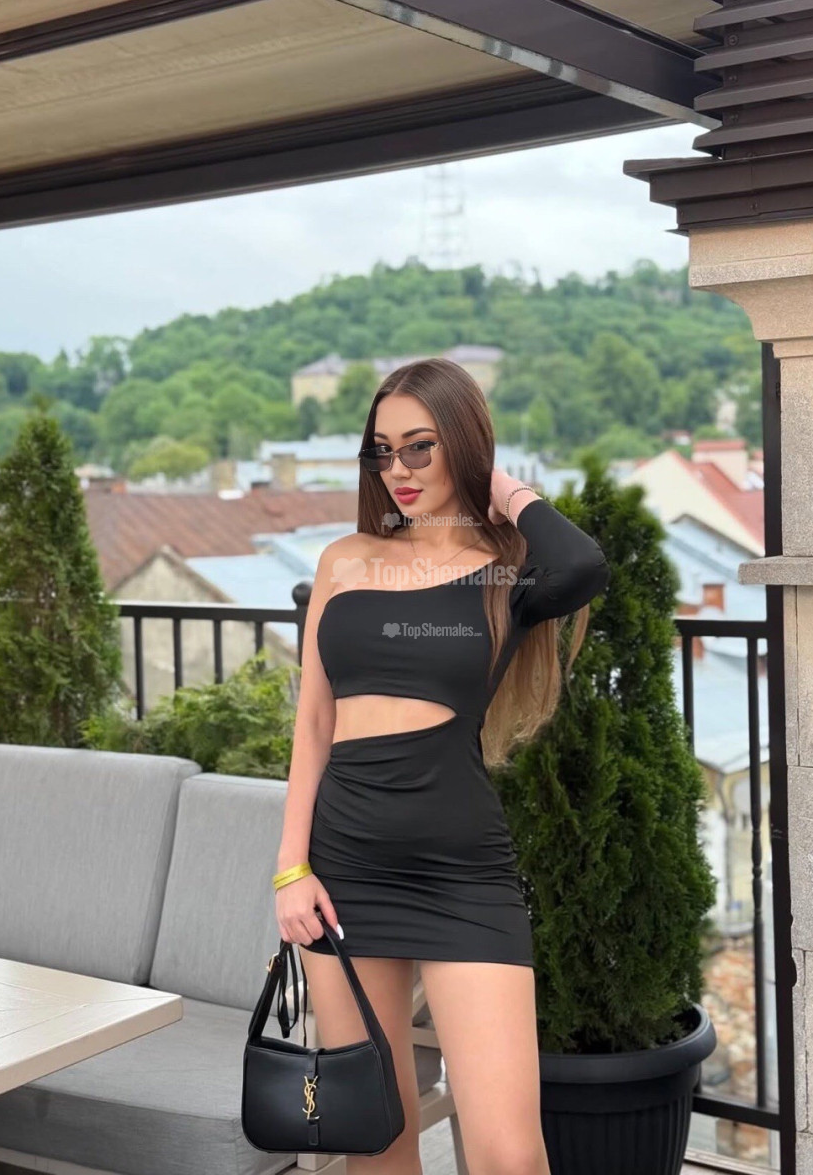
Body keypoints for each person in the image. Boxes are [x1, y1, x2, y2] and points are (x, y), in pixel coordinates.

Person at [274, 357, 609, 1175]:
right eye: (383, 451)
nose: (400, 469)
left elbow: (582, 566)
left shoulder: (507, 572)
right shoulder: (343, 559)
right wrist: (291, 870)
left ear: (462, 444)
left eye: (421, 447)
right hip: (345, 868)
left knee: (509, 1154)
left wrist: (500, 486)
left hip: (462, 875)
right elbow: (314, 723)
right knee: (376, 1140)